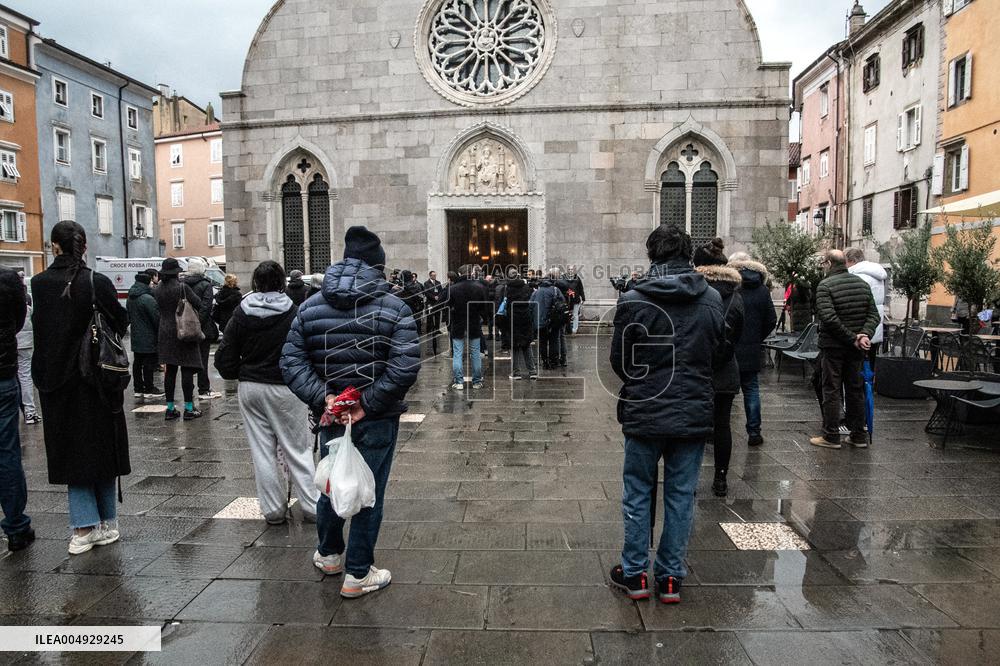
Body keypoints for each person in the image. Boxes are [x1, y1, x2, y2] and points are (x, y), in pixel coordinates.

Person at [280, 225, 419, 599]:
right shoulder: (395, 307)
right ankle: (358, 573)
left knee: (331, 482)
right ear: (378, 265)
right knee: (368, 492)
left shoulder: (310, 307)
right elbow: (404, 366)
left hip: (330, 417)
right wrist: (366, 403)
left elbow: (291, 361)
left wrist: (325, 399)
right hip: (375, 419)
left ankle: (328, 554)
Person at [609, 225, 723, 604]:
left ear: (652, 255)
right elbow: (717, 354)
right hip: (691, 410)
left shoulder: (633, 298)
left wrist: (643, 383)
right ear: (688, 255)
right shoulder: (711, 299)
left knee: (638, 493)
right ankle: (671, 578)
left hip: (645, 410)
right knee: (680, 496)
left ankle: (635, 572)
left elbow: (619, 361)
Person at [31, 221, 130, 555]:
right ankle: (107, 523)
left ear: (54, 247)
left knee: (72, 452)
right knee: (102, 448)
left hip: (58, 381)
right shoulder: (96, 282)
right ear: (84, 247)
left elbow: (41, 332)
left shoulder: (39, 284)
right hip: (98, 380)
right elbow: (120, 320)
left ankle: (84, 526)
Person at [216, 261, 318, 525]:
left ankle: (273, 510)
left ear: (256, 283)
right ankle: (311, 506)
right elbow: (308, 349)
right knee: (297, 448)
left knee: (261, 450)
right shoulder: (294, 312)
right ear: (282, 282)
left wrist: (238, 371)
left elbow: (225, 353)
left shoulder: (242, 312)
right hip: (286, 387)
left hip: (251, 386)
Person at [810, 250, 880, 450]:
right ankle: (858, 435)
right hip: (856, 348)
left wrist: (852, 338)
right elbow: (873, 315)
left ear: (830, 263)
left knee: (831, 389)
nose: (823, 266)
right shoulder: (862, 284)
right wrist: (863, 335)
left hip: (833, 347)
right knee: (855, 390)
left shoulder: (825, 286)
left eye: (824, 263)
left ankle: (831, 436)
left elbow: (829, 318)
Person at [693, 240, 744, 497]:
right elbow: (739, 334)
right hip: (726, 368)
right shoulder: (736, 294)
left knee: (693, 424)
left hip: (697, 368)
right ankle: (721, 479)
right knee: (722, 424)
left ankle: (688, 479)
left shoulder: (695, 292)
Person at [727, 252, 777, 447]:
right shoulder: (762, 290)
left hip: (729, 347)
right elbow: (771, 319)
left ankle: (719, 428)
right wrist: (757, 337)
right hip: (751, 348)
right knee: (751, 390)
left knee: (725, 391)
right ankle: (754, 432)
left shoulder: (730, 287)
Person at [1, 265, 33, 551]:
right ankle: (16, 527)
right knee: (7, 451)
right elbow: (19, 320)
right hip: (2, 375)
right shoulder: (8, 278)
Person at [155, 258, 204, 421]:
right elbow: (198, 304)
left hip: (165, 332)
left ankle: (170, 408)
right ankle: (189, 408)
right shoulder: (182, 288)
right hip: (183, 331)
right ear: (176, 273)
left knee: (170, 370)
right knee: (187, 369)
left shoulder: (158, 288)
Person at [445, 264, 488, 389]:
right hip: (473, 323)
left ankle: (459, 382)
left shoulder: (452, 288)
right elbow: (483, 307)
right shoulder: (479, 287)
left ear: (459, 274)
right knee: (475, 353)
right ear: (471, 274)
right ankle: (476, 382)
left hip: (458, 323)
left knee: (458, 353)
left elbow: (447, 306)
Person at [183, 258, 220, 399]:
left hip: (186, 326)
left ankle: (189, 392)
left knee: (188, 359)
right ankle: (203, 389)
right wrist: (199, 324)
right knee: (203, 359)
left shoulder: (182, 285)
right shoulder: (205, 285)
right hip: (202, 328)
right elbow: (206, 307)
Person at [845, 247, 887, 364]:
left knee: (857, 368)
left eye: (845, 262)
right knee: (870, 363)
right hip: (874, 327)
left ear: (852, 261)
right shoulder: (876, 274)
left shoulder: (857, 276)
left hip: (861, 329)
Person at [126, 271, 163, 400]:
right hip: (148, 335)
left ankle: (138, 389)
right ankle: (149, 388)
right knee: (148, 363)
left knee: (137, 363)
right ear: (147, 282)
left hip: (136, 335)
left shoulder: (131, 297)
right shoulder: (147, 298)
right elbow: (156, 318)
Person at [15, 271, 39, 424]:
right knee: (25, 377)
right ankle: (30, 411)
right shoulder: (27, 299)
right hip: (26, 343)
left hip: (12, 343)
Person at [530, 269, 568, 369]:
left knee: (542, 342)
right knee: (553, 341)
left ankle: (545, 361)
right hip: (553, 321)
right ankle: (553, 361)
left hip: (540, 321)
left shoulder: (536, 292)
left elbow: (530, 306)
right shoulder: (555, 290)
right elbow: (563, 303)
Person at [505, 269, 538, 380]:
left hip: (513, 318)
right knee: (526, 345)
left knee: (514, 346)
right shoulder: (526, 287)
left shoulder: (507, 288)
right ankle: (532, 371)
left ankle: (516, 373)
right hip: (525, 318)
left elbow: (503, 304)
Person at [398, 270, 425, 337]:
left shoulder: (401, 286)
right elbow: (420, 297)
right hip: (413, 308)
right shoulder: (414, 285)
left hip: (405, 308)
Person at [423, 271, 444, 355]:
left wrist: (439, 297)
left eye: (435, 275)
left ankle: (437, 328)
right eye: (433, 275)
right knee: (430, 316)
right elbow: (426, 292)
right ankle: (430, 329)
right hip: (430, 302)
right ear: (430, 276)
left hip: (437, 302)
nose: (435, 277)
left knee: (438, 315)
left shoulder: (438, 282)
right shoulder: (426, 283)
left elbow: (441, 291)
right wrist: (433, 297)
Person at [565, 265, 586, 335]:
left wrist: (583, 298)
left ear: (574, 271)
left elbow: (581, 289)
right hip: (567, 300)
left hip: (576, 299)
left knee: (575, 315)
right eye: (569, 269)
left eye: (572, 269)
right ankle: (567, 329)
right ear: (567, 270)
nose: (570, 271)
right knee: (566, 315)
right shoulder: (564, 278)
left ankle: (574, 329)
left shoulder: (577, 278)